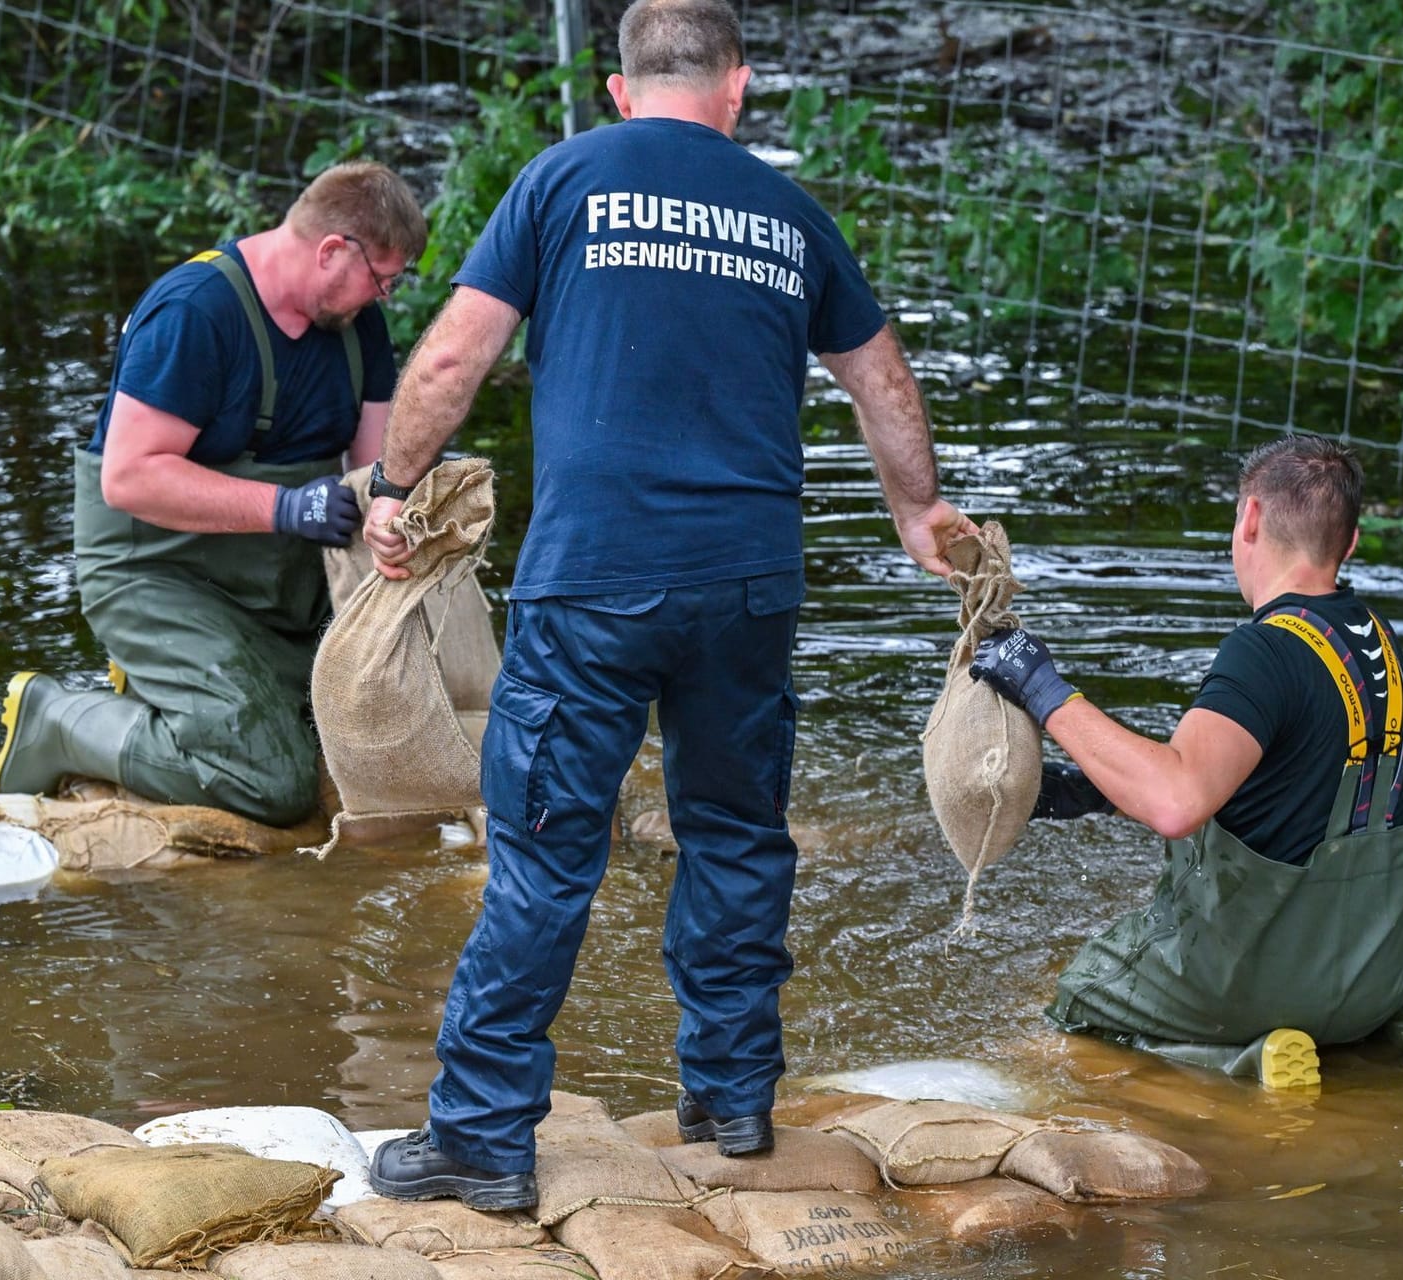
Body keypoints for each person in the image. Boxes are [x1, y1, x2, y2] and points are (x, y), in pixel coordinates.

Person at [361, 0, 976, 1212]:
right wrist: (920, 515)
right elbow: (882, 377)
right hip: (747, 585)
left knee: (543, 854)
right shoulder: (791, 215)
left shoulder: (562, 180)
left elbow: (449, 360)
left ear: (620, 88)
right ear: (736, 89)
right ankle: (733, 1094)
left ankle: (483, 1134)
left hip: (592, 577)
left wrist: (392, 488)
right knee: (738, 835)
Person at [969, 435, 1403, 1089]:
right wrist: (1095, 791)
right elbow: (1293, 789)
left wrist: (1042, 689)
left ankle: (1249, 1057)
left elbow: (1177, 802)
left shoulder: (1263, 651)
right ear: (1351, 542)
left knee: (1083, 996)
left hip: (1261, 986)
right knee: (1379, 959)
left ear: (1250, 519)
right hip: (1376, 978)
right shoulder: (1378, 640)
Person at [0, 162, 427, 827]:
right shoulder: (196, 311)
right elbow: (129, 477)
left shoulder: (355, 324)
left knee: (359, 742)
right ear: (332, 249)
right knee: (272, 785)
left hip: (279, 587)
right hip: (156, 573)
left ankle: (174, 692)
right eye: (383, 278)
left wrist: (404, 509)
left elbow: (377, 467)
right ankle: (59, 720)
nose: (386, 297)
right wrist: (286, 507)